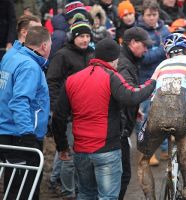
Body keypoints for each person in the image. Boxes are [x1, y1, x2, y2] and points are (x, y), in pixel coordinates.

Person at [51, 38, 156, 199]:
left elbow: (59, 116)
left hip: (81, 150)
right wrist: (153, 82)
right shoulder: (112, 77)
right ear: (114, 59)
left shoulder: (72, 80)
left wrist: (62, 146)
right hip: (106, 150)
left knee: (86, 195)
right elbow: (132, 96)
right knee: (107, 197)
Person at [137, 33, 186, 200]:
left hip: (156, 112)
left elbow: (149, 89)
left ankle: (150, 198)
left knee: (143, 160)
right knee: (183, 138)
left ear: (167, 54)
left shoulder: (161, 65)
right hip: (181, 112)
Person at [0, 26, 51, 200]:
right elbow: (19, 101)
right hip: (20, 134)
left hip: (7, 130)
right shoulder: (29, 66)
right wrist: (28, 135)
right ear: (44, 46)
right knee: (24, 190)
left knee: (13, 185)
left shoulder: (11, 56)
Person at [46, 15, 94, 198]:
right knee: (69, 158)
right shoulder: (63, 55)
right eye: (81, 36)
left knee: (83, 157)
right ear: (73, 37)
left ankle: (78, 188)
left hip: (87, 113)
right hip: (68, 115)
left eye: (87, 36)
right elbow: (53, 82)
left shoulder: (91, 54)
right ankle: (68, 192)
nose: (85, 39)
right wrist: (57, 108)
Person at [117, 26, 152, 200]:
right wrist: (153, 84)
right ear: (132, 43)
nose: (146, 49)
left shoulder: (129, 60)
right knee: (122, 176)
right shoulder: (124, 63)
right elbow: (127, 93)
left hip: (122, 123)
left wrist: (134, 108)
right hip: (119, 129)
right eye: (143, 45)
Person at [136, 0, 170, 165]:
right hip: (145, 80)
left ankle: (164, 147)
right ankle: (147, 151)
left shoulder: (165, 29)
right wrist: (163, 49)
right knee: (146, 117)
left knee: (164, 115)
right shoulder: (139, 32)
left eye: (154, 14)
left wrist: (161, 49)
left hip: (165, 77)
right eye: (148, 15)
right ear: (143, 15)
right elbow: (144, 58)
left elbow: (172, 50)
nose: (152, 18)